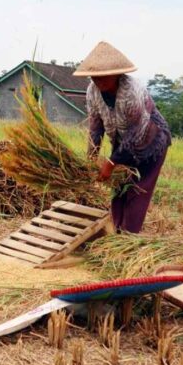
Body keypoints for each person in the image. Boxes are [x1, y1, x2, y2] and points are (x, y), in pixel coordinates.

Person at [73, 41, 171, 233]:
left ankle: (128, 239)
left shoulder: (131, 91)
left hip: (150, 142)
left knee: (136, 191)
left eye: (103, 76)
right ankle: (117, 233)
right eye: (94, 76)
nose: (97, 80)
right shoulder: (92, 92)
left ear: (117, 74)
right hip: (122, 144)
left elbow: (137, 132)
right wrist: (90, 159)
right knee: (118, 190)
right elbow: (95, 126)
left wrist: (110, 163)